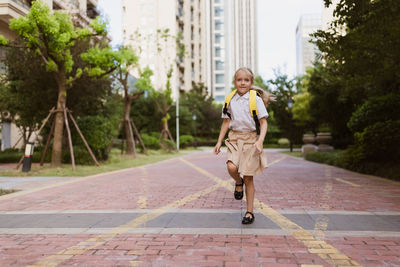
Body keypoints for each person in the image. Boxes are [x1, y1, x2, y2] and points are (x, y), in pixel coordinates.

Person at [214, 67, 272, 224]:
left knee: (248, 178)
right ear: (235, 82)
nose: (242, 83)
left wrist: (260, 141)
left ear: (251, 82)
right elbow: (226, 121)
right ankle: (237, 183)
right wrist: (219, 141)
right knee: (231, 167)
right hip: (234, 138)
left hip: (251, 140)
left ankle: (249, 212)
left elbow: (263, 122)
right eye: (239, 80)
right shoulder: (229, 99)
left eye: (246, 80)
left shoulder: (255, 99)